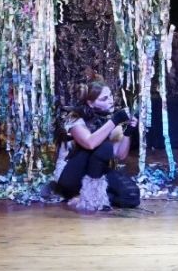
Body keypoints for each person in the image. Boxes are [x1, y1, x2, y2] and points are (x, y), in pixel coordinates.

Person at [54, 80, 140, 211]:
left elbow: (120, 154)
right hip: (70, 177)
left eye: (110, 96)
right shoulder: (75, 118)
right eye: (104, 99)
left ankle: (87, 198)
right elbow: (90, 143)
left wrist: (128, 132)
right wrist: (115, 120)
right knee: (104, 146)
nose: (111, 101)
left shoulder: (109, 119)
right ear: (90, 103)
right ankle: (88, 197)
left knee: (131, 195)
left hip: (97, 171)